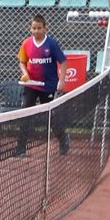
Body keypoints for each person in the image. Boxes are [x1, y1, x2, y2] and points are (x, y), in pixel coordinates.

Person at [17, 14, 70, 155]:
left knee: (50, 115)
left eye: (39, 28)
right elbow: (22, 62)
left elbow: (63, 61)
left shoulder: (51, 44)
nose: (36, 31)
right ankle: (21, 148)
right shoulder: (26, 43)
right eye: (34, 28)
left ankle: (63, 138)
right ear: (30, 28)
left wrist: (62, 80)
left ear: (45, 28)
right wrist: (25, 73)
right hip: (31, 85)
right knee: (25, 114)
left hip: (48, 85)